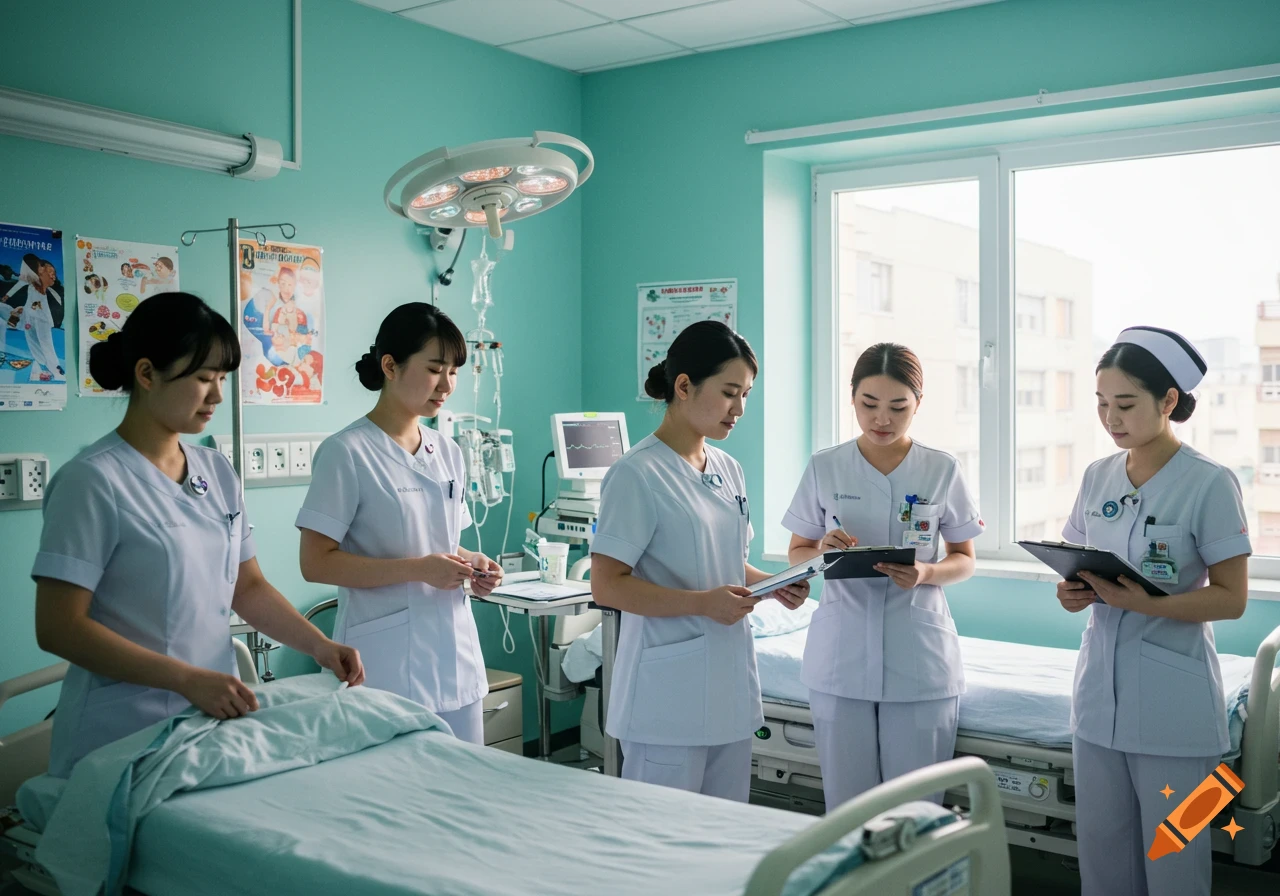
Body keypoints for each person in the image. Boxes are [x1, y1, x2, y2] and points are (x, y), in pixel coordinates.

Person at [32, 293, 364, 778]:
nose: (217, 396)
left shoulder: (215, 471)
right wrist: (186, 680)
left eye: (223, 379)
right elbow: (59, 627)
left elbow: (246, 587)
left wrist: (318, 645)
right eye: (203, 379)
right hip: (122, 734)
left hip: (210, 722)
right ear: (147, 375)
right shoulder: (92, 481)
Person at [1059, 326, 1250, 896]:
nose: (1110, 418)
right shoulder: (1097, 476)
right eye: (1100, 404)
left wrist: (1150, 604)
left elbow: (1232, 598)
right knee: (1103, 858)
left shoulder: (1210, 483)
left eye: (1124, 404)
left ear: (1169, 401)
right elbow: (1075, 559)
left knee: (1178, 868)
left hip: (1178, 713)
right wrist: (1071, 592)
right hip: (1098, 705)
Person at [590, 321, 809, 800]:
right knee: (659, 849)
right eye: (730, 392)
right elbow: (607, 586)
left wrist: (775, 584)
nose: (740, 409)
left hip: (727, 692)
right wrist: (702, 603)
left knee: (722, 840)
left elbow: (729, 564)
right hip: (665, 699)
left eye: (747, 394)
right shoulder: (636, 474)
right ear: (684, 386)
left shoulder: (729, 470)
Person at [783, 343, 981, 808]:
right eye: (869, 405)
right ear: (852, 398)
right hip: (841, 657)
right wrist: (820, 553)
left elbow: (965, 558)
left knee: (916, 810)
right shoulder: (826, 466)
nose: (882, 419)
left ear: (918, 404)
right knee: (847, 808)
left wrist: (926, 572)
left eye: (898, 407)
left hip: (919, 657)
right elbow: (798, 551)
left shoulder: (941, 468)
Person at [297, 302, 501, 744]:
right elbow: (316, 563)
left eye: (453, 371)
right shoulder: (347, 453)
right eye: (433, 369)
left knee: (466, 794)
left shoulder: (447, 452)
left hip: (454, 654)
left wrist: (473, 565)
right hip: (384, 664)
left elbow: (445, 542)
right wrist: (418, 569)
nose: (446, 385)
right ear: (390, 365)